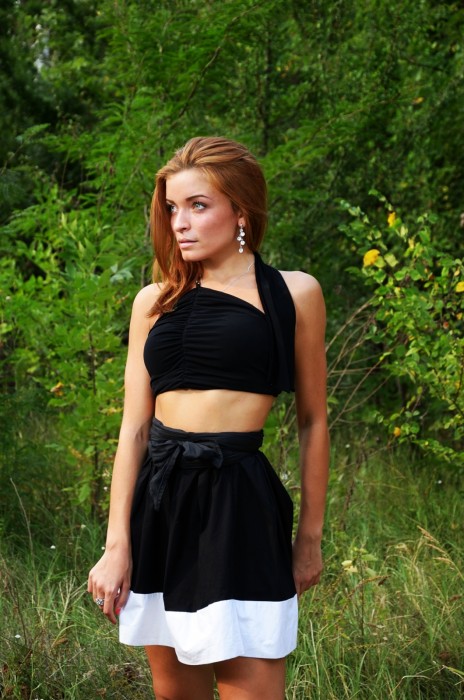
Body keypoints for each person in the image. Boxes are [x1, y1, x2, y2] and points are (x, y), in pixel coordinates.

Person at [88, 136, 329, 700]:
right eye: (173, 207)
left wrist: (310, 538)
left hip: (240, 504)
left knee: (253, 690)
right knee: (176, 694)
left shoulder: (293, 293)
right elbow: (135, 429)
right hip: (161, 503)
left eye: (198, 205)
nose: (180, 222)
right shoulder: (154, 301)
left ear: (241, 210)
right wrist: (117, 543)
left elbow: (313, 422)